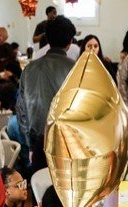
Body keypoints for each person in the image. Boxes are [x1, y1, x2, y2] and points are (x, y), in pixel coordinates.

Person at [16, 16, 76, 173]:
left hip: (38, 144)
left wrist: (29, 145)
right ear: (70, 42)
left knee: (40, 191)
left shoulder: (29, 69)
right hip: (69, 144)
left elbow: (21, 111)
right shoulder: (76, 69)